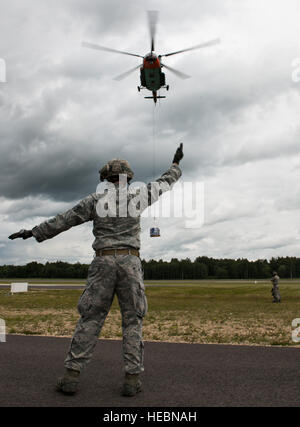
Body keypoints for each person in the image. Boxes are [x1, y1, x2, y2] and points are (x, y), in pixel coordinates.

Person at [8, 143, 184, 396]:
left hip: (102, 262)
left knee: (90, 318)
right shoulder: (139, 195)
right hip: (130, 262)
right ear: (129, 177)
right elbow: (165, 182)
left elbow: (64, 219)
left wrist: (33, 232)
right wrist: (176, 164)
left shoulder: (95, 200)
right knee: (132, 321)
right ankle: (132, 380)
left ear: (105, 178)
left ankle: (71, 377)